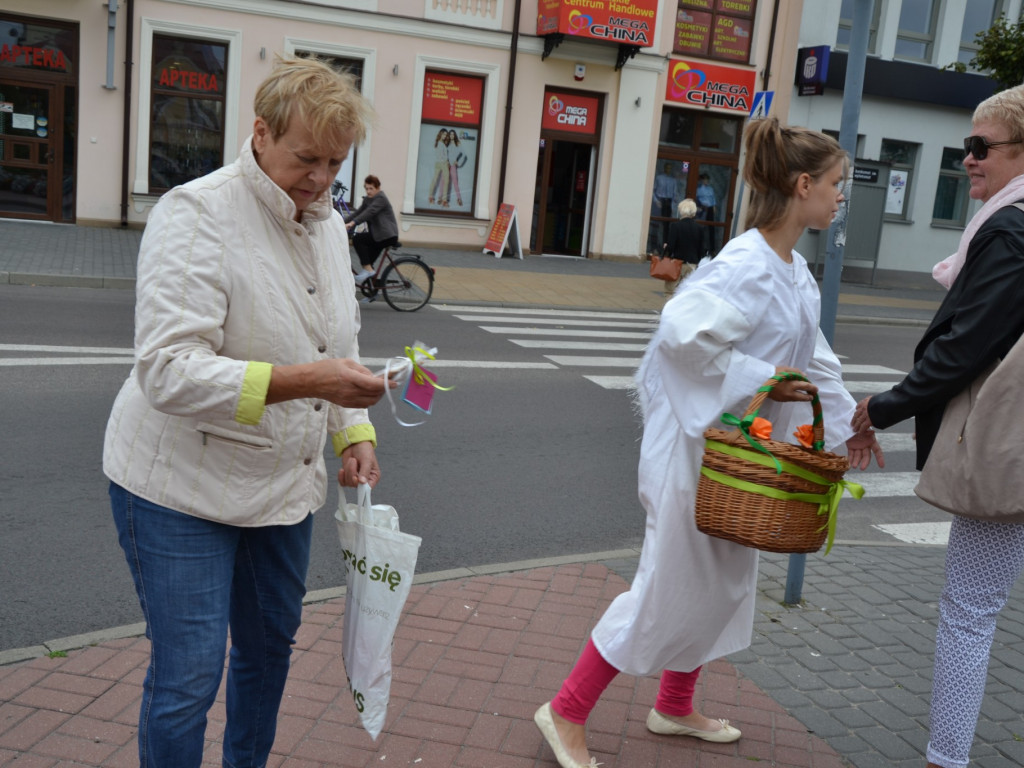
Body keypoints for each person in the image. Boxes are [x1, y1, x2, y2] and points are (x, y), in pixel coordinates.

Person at [534, 116, 884, 768]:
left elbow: (817, 362)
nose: (842, 197)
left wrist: (849, 425)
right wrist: (762, 381)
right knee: (666, 587)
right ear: (803, 184)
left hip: (736, 461)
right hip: (696, 457)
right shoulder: (747, 265)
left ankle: (673, 705)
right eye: (836, 184)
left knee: (719, 585)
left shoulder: (792, 270)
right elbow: (680, 335)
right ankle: (566, 710)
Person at [103, 55, 393, 768]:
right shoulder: (197, 213)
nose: (322, 181)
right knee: (189, 676)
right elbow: (168, 372)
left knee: (268, 655)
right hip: (178, 487)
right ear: (260, 133)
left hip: (281, 489)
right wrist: (309, 381)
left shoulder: (325, 221)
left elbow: (340, 340)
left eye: (336, 162)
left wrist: (353, 430)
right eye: (306, 159)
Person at [852, 85, 1024, 768]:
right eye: (965, 147)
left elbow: (967, 343)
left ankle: (945, 760)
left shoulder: (1011, 232)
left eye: (981, 147)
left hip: (1006, 449)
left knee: (968, 612)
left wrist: (884, 407)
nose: (967, 161)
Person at [347, 174, 400, 284]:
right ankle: (373, 290)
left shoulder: (381, 198)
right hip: (378, 235)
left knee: (358, 239)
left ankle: (370, 272)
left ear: (378, 188)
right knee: (368, 262)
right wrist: (340, 222)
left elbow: (369, 212)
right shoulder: (368, 200)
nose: (368, 191)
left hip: (387, 235)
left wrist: (353, 223)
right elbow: (358, 212)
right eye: (366, 188)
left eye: (371, 188)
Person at [661, 197, 703, 297]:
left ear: (681, 210)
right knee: (686, 292)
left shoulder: (675, 226)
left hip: (677, 263)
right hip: (692, 264)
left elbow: (671, 246)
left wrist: (665, 249)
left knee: (670, 291)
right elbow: (701, 248)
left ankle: (671, 310)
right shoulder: (699, 228)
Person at [428, 128, 450, 206]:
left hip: (438, 163)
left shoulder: (438, 143)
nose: (445, 136)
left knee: (435, 179)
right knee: (446, 181)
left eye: (446, 135)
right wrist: (446, 161)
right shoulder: (440, 144)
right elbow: (441, 155)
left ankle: (431, 197)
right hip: (443, 163)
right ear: (440, 134)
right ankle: (444, 200)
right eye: (444, 134)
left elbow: (439, 155)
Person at [446, 129, 464, 207]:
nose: (452, 136)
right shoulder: (447, 143)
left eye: (453, 134)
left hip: (453, 165)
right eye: (450, 134)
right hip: (447, 164)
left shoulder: (457, 143)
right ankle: (446, 199)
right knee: (446, 182)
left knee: (455, 182)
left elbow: (463, 153)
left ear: (455, 135)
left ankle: (459, 198)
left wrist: (457, 161)